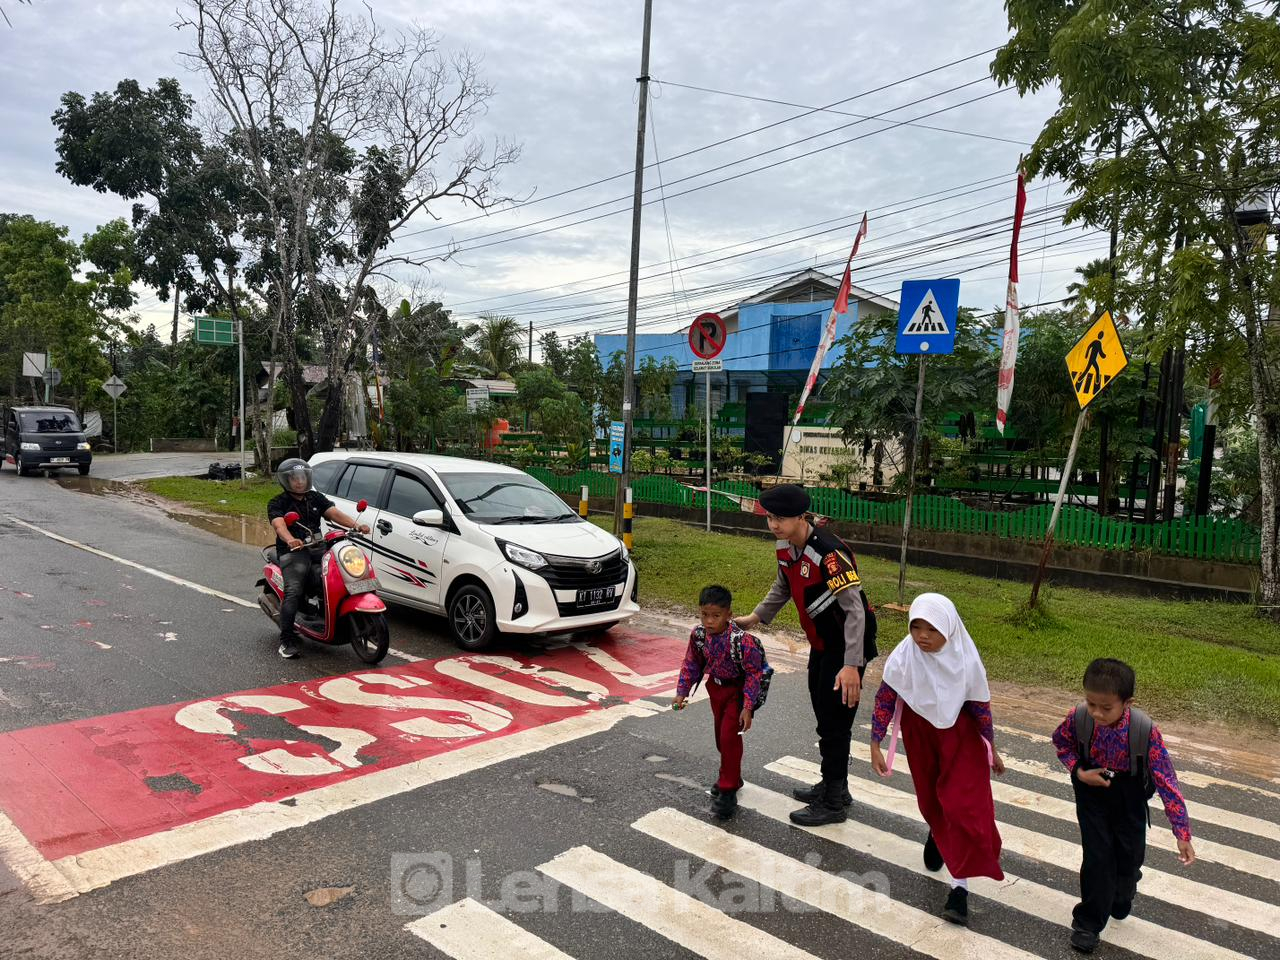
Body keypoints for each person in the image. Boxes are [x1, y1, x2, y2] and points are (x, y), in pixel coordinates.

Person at [734, 484, 875, 826]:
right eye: (769, 518)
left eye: (780, 519)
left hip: (847, 646)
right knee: (824, 714)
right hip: (823, 644)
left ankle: (833, 803)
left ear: (801, 517)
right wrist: (756, 617)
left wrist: (852, 666)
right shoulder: (786, 547)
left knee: (835, 723)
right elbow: (783, 584)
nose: (774, 525)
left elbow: (855, 611)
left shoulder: (828, 553)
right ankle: (833, 786)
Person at [869, 593, 1005, 927]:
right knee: (932, 801)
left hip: (960, 738)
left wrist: (991, 747)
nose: (922, 636)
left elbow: (980, 708)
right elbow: (886, 696)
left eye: (932, 628)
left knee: (962, 806)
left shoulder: (966, 660)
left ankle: (959, 890)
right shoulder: (905, 656)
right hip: (921, 737)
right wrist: (875, 740)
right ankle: (936, 830)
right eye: (916, 626)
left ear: (949, 627)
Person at [1052, 658, 1195, 954]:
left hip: (1129, 798)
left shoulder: (1144, 730)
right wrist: (1079, 771)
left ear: (1127, 703)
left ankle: (1124, 886)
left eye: (1106, 708)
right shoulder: (1077, 718)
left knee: (1129, 858)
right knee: (1098, 858)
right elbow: (1061, 744)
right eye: (1091, 704)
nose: (1097, 713)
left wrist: (1182, 832)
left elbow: (1166, 779)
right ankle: (1087, 923)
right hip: (1091, 793)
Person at [673, 585, 769, 820]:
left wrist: (748, 707)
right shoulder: (698, 636)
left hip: (737, 691)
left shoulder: (741, 642)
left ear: (729, 614)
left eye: (716, 616)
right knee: (720, 737)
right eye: (704, 615)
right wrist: (681, 691)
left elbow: (754, 674)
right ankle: (732, 776)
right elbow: (691, 663)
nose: (709, 621)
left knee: (729, 737)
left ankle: (727, 790)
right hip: (715, 689)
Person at [267, 458, 370, 660]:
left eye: (302, 477)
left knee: (340, 576)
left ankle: (326, 616)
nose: (299, 482)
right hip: (294, 552)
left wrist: (355, 526)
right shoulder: (278, 503)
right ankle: (286, 640)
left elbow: (333, 513)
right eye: (295, 478)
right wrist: (290, 540)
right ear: (286, 481)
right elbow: (280, 526)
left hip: (318, 547)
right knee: (293, 591)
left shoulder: (315, 498)